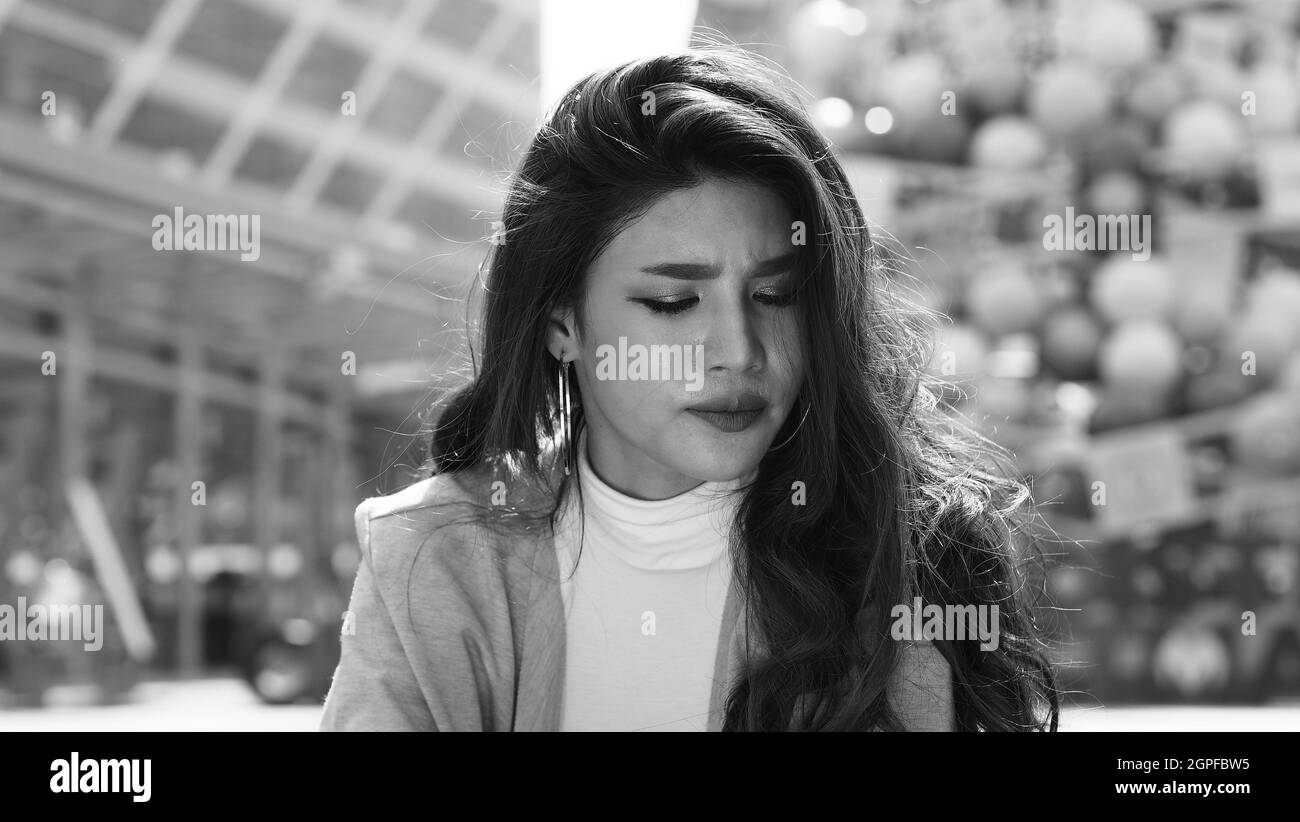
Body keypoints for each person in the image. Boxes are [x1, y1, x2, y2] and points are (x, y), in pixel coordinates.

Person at [319, 44, 1059, 732]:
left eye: (775, 295)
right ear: (561, 325)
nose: (739, 352)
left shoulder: (916, 561)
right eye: (673, 304)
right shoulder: (432, 557)